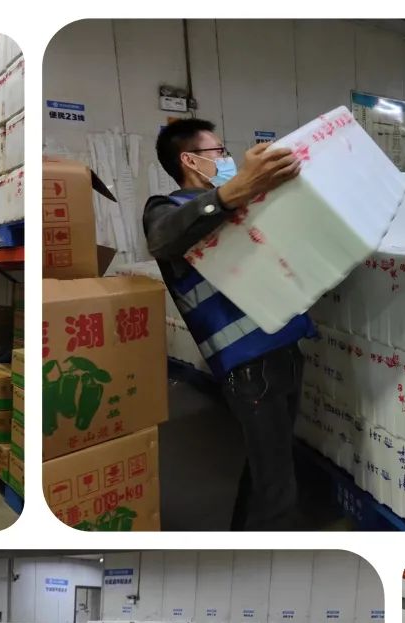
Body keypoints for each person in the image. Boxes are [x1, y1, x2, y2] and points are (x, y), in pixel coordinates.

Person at [143, 118, 314, 530]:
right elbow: (163, 238)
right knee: (278, 488)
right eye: (218, 152)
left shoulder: (240, 206)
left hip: (284, 350)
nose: (227, 159)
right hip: (249, 365)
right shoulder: (167, 209)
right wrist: (232, 192)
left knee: (267, 469)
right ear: (190, 160)